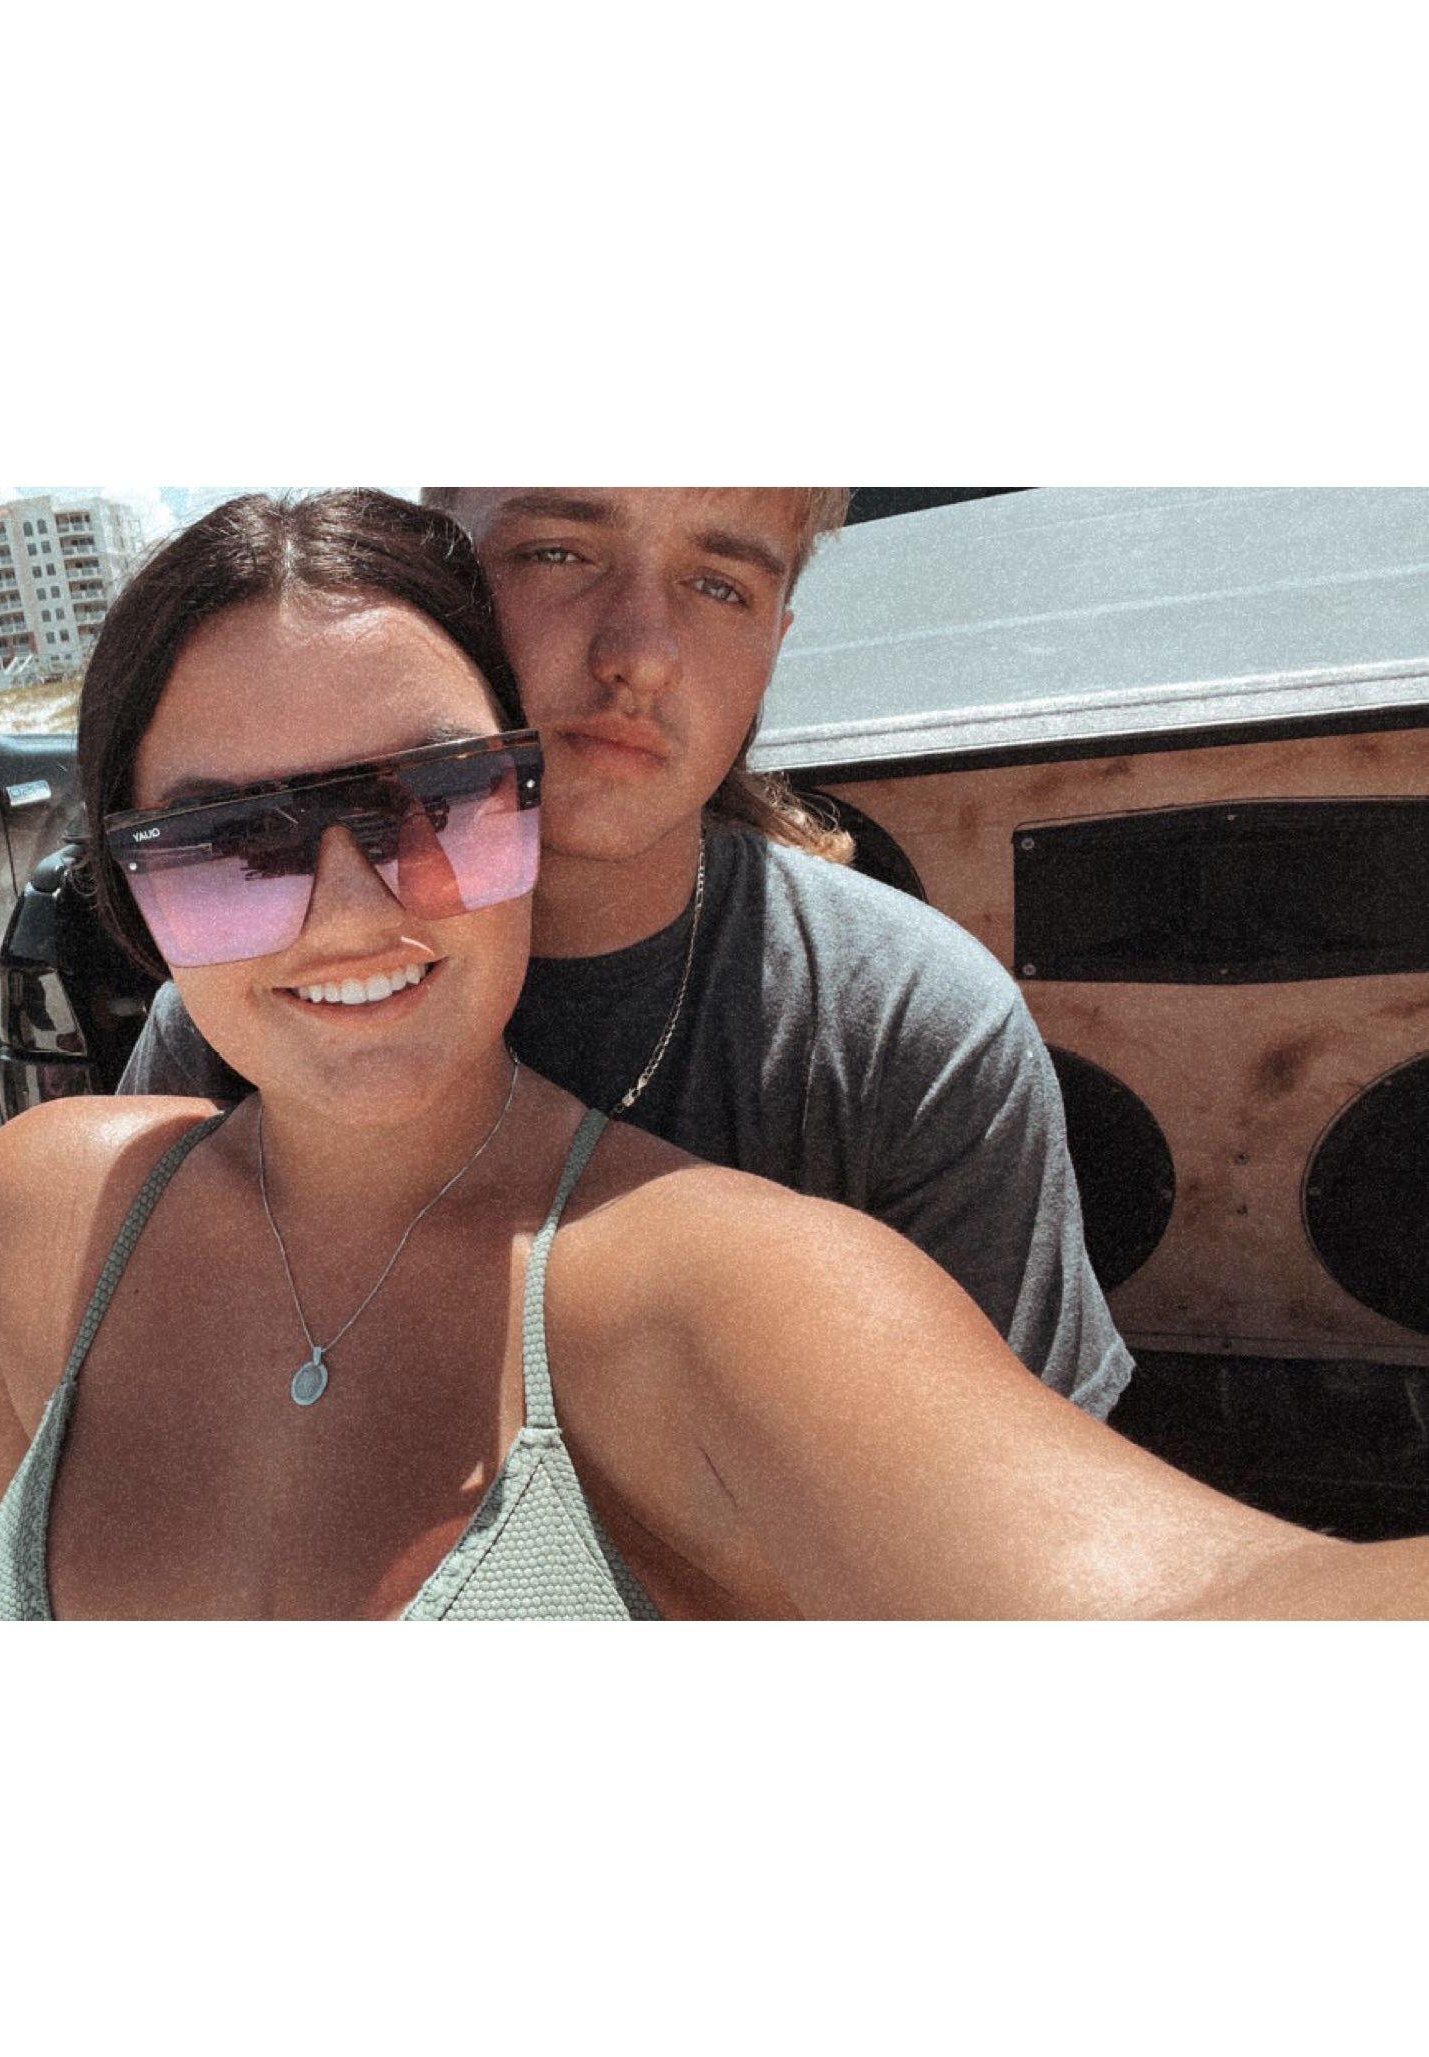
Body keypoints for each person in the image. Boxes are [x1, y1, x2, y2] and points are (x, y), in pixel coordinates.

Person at [0, 490, 1428, 1622]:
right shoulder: (79, 1183)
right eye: (227, 849)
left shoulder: (800, 1174)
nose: (343, 912)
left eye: (433, 801)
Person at [117, 489, 1132, 1449]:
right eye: (557, 553)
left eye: (720, 586)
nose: (639, 656)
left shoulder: (908, 1037)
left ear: (773, 647)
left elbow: (1013, 1521)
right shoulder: (247, 1022)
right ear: (441, 571)